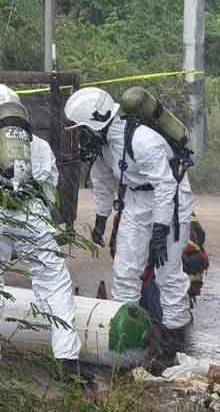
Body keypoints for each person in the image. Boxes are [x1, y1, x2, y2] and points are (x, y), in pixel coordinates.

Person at [0, 84, 84, 380]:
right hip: (31, 215)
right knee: (54, 284)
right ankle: (67, 361)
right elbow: (49, 193)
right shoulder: (40, 147)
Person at [64, 87, 195, 369]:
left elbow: (166, 185)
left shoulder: (142, 139)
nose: (81, 137)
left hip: (170, 199)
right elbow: (101, 182)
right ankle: (128, 343)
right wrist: (101, 219)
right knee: (125, 272)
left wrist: (161, 229)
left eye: (82, 129)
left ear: (96, 122)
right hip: (136, 200)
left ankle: (173, 347)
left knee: (167, 273)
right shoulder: (103, 146)